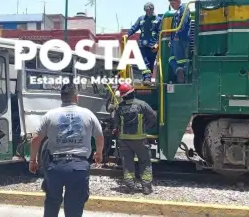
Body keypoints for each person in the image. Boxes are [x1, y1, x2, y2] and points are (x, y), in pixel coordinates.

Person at [29, 83, 104, 217]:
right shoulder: (88, 114)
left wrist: (33, 160)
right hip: (79, 166)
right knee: (75, 204)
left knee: (52, 201)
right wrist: (98, 153)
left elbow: (36, 139)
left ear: (61, 97)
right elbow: (99, 137)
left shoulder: (50, 115)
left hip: (55, 166)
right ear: (77, 97)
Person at [113, 83, 157, 195]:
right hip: (140, 139)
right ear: (133, 92)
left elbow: (116, 123)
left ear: (123, 95)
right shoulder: (142, 104)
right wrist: (145, 127)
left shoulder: (119, 107)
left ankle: (129, 187)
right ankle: (146, 188)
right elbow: (153, 117)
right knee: (145, 162)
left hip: (124, 140)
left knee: (127, 163)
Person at [124, 2, 162, 85]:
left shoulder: (158, 20)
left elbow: (160, 33)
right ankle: (147, 78)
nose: (147, 12)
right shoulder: (141, 19)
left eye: (149, 10)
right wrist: (128, 34)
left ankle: (147, 78)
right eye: (146, 10)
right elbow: (134, 27)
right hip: (143, 44)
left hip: (153, 45)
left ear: (152, 9)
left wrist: (158, 44)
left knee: (151, 62)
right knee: (144, 61)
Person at [168, 0, 191, 83]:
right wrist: (171, 40)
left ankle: (182, 77)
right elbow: (173, 26)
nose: (172, 6)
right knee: (171, 58)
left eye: (173, 3)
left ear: (178, 1)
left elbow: (184, 23)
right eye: (171, 4)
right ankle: (178, 70)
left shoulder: (184, 8)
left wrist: (177, 35)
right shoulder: (177, 12)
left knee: (181, 59)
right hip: (175, 39)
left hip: (181, 38)